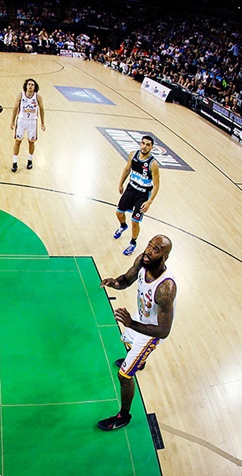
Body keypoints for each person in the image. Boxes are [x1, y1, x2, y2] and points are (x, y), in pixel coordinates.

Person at [98, 234, 176, 430]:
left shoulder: (165, 288)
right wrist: (115, 283)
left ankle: (123, 416)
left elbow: (163, 331)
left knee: (124, 376)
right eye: (149, 245)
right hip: (141, 319)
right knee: (126, 339)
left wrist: (131, 323)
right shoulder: (143, 260)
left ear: (164, 257)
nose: (148, 251)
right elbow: (127, 279)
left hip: (153, 332)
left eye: (155, 250)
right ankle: (140, 361)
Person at [112, 135, 160, 256]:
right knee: (119, 213)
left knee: (135, 221)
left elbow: (156, 184)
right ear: (140, 144)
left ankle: (132, 243)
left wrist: (149, 201)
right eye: (143, 143)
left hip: (142, 195)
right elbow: (127, 169)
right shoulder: (133, 155)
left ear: (152, 147)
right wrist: (120, 183)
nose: (144, 146)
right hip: (130, 189)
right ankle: (123, 226)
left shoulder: (153, 164)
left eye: (148, 145)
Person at [11, 78, 46, 172]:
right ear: (26, 86)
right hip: (21, 121)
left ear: (35, 87)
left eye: (32, 84)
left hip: (32, 122)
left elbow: (42, 110)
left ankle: (30, 160)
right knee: (17, 141)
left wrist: (42, 122)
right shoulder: (20, 95)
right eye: (29, 84)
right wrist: (12, 121)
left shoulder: (38, 97)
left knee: (31, 142)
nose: (30, 86)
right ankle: (14, 162)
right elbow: (15, 108)